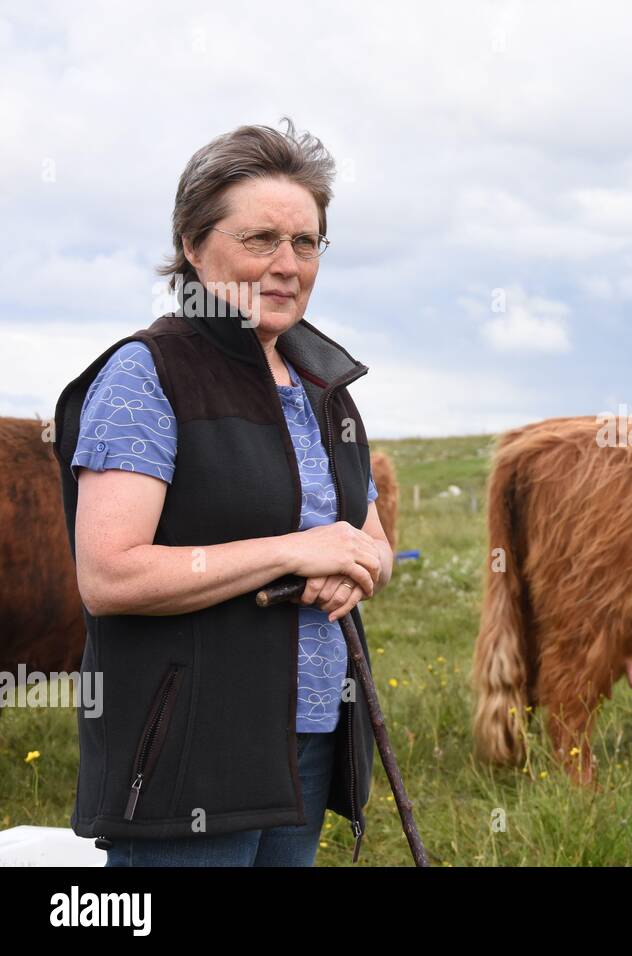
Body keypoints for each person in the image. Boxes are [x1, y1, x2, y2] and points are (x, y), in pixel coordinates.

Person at [52, 118, 393, 866]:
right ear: (191, 244)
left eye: (306, 243)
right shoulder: (147, 377)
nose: (286, 264)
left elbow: (366, 537)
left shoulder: (322, 383)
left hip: (306, 741)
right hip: (189, 752)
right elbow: (109, 574)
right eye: (259, 239)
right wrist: (295, 551)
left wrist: (362, 564)